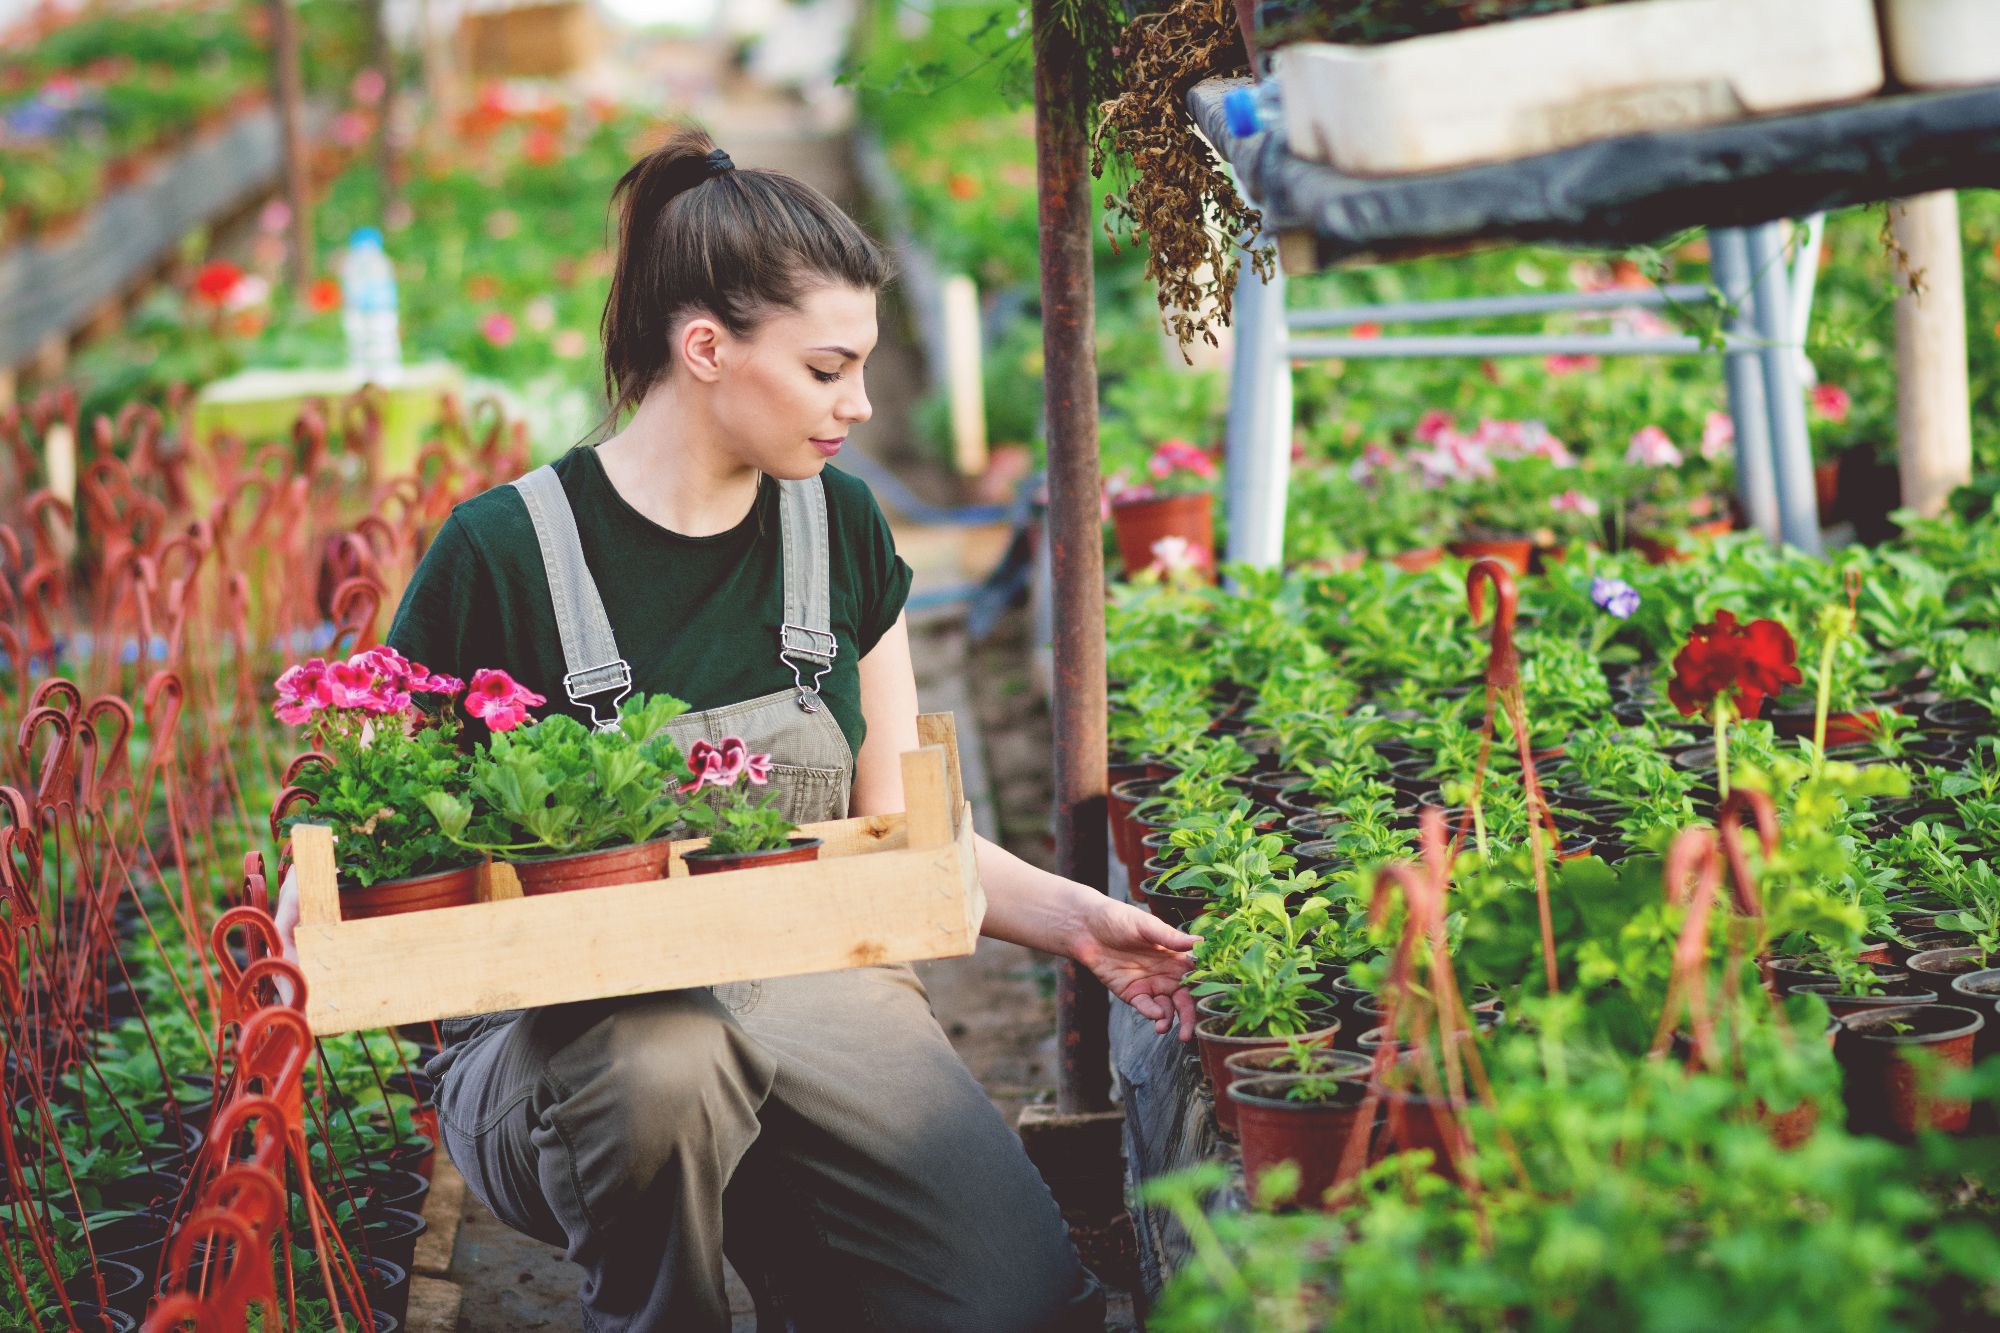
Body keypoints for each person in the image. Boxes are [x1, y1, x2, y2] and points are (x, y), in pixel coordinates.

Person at [279, 128, 1198, 1332]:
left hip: (808, 994)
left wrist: (1081, 922)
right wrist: (323, 888)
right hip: (567, 1043)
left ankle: (801, 1250)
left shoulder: (842, 530)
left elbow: (892, 831)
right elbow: (369, 810)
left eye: (864, 368)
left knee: (1025, 1305)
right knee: (668, 1059)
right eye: (827, 370)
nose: (859, 405)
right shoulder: (504, 552)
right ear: (705, 347)